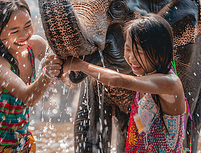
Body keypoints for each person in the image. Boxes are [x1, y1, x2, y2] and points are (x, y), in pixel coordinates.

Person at [62, 14, 186, 152]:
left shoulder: (170, 83)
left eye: (139, 51)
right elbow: (143, 128)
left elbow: (117, 80)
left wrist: (80, 65)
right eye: (127, 49)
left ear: (160, 51)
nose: (131, 58)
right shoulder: (147, 76)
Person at [0, 0, 62, 152]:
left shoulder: (35, 45)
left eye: (28, 26)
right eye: (15, 31)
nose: (24, 35)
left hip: (20, 142)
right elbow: (29, 98)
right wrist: (48, 73)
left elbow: (62, 69)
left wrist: (70, 64)